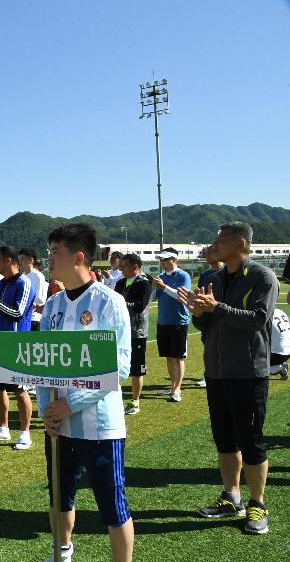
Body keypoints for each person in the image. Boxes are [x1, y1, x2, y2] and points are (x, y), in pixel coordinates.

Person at [39, 223, 133, 562]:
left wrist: (71, 404)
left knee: (112, 503)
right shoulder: (51, 307)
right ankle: (62, 552)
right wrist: (45, 411)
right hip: (59, 427)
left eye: (55, 252)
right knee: (59, 495)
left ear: (79, 257)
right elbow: (41, 365)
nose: (49, 258)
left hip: (101, 427)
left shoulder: (110, 302)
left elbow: (118, 367)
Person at [182, 222, 278, 535]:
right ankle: (231, 496)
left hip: (248, 372)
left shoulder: (262, 276)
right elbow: (209, 328)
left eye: (221, 239)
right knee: (224, 439)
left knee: (250, 441)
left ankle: (257, 503)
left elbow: (258, 321)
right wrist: (199, 313)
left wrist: (217, 307)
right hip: (217, 372)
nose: (215, 243)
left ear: (239, 243)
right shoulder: (215, 278)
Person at [0, 246, 35, 450]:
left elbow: (17, 313)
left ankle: (25, 432)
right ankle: (3, 428)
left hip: (15, 344)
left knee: (20, 390)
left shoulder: (24, 283)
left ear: (9, 260)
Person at [152, 247, 192, 402]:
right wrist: (153, 288)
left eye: (165, 259)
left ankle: (177, 389)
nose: (162, 262)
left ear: (174, 260)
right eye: (160, 259)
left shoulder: (183, 276)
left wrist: (163, 286)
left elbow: (181, 296)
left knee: (178, 357)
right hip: (163, 322)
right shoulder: (161, 277)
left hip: (178, 322)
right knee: (169, 357)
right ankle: (172, 385)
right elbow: (153, 299)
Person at [115, 254, 152, 415]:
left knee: (136, 369)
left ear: (135, 265)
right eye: (120, 266)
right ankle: (114, 399)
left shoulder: (144, 283)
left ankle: (135, 401)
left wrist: (122, 303)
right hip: (119, 331)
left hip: (136, 332)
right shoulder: (120, 282)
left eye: (124, 266)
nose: (121, 269)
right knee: (116, 366)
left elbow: (139, 306)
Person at [194, 246, 224, 388]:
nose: (206, 256)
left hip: (223, 314)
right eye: (205, 253)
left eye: (209, 252)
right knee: (208, 346)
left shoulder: (227, 272)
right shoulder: (205, 274)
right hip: (207, 316)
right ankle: (209, 374)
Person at [18, 248, 49, 331]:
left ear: (31, 260)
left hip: (34, 319)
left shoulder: (38, 276)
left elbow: (41, 300)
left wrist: (28, 303)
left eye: (22, 259)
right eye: (19, 259)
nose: (20, 262)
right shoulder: (21, 277)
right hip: (21, 319)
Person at [270, 307, 290, 380]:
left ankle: (280, 368)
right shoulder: (280, 311)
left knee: (249, 367)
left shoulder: (266, 314)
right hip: (287, 351)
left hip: (277, 354)